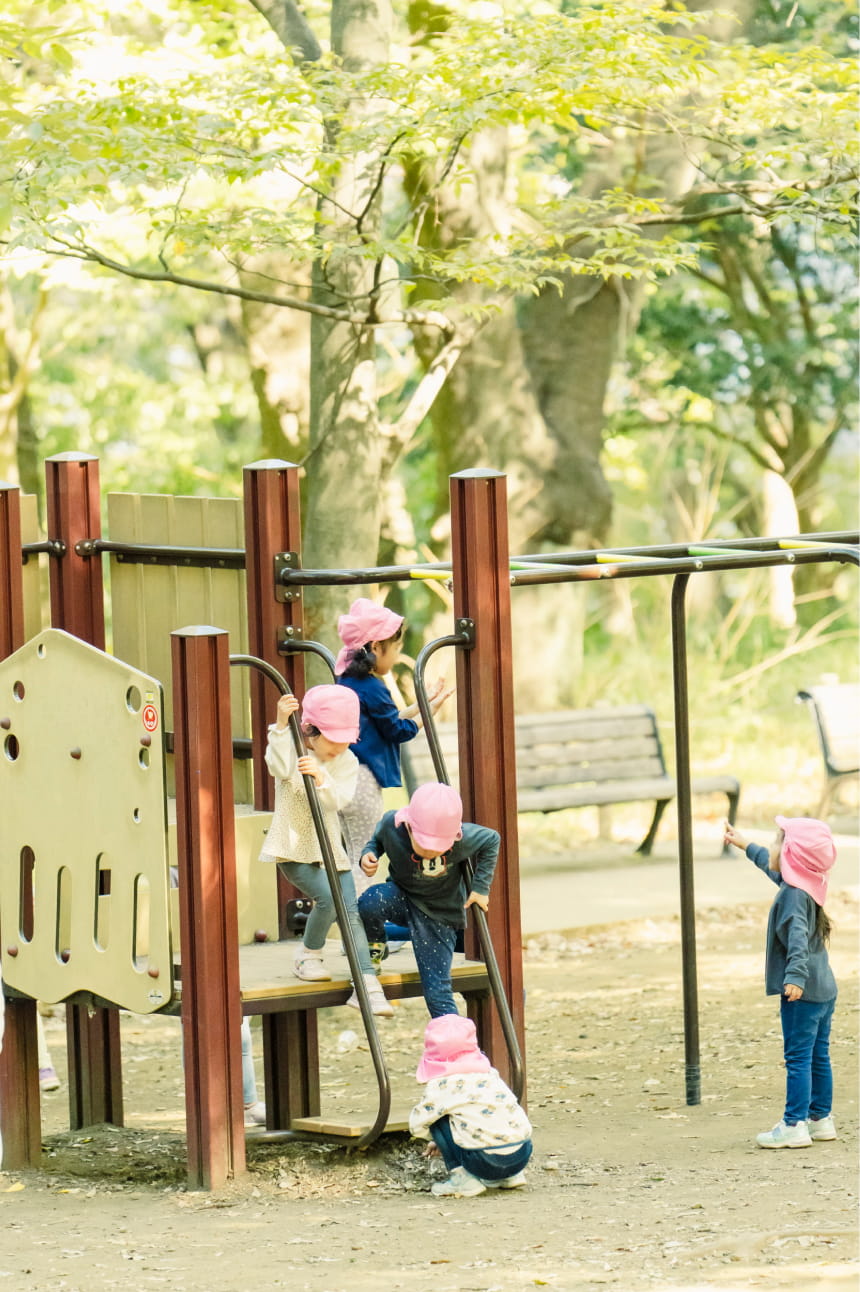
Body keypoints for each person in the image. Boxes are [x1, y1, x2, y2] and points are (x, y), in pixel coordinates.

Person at [260, 684, 393, 1017]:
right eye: (335, 737)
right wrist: (279, 724)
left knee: (350, 909)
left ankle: (365, 985)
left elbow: (338, 800)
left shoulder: (345, 760)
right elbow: (277, 766)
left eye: (347, 738)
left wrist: (321, 778)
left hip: (330, 845)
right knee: (330, 899)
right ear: (311, 732)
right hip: (293, 845)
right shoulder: (291, 746)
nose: (342, 745)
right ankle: (308, 954)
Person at [723, 815, 838, 1149]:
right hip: (824, 989)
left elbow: (798, 940)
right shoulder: (807, 885)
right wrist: (746, 844)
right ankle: (820, 1119)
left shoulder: (792, 896)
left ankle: (793, 1125)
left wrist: (794, 979)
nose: (773, 847)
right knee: (819, 1055)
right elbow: (773, 868)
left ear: (791, 855)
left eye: (777, 842)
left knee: (798, 1059)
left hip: (802, 992)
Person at [335, 598, 453, 914]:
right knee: (364, 856)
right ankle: (360, 932)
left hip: (343, 774)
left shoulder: (348, 678)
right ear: (375, 646)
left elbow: (387, 718)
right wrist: (428, 715)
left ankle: (354, 931)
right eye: (396, 647)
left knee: (349, 852)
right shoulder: (373, 686)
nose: (398, 655)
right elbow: (397, 730)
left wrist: (423, 705)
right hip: (362, 780)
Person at [358, 782, 499, 1017]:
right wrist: (369, 854)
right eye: (426, 845)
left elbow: (492, 839)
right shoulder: (391, 825)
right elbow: (376, 841)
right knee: (370, 901)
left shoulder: (466, 838)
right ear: (409, 827)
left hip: (439, 916)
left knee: (436, 990)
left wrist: (480, 888)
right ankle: (376, 945)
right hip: (402, 898)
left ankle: (453, 1046)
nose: (433, 852)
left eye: (440, 846)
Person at [409, 1013, 533, 1197]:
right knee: (493, 1111)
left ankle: (463, 1180)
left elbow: (417, 1125)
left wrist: (442, 1140)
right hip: (521, 1154)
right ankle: (509, 1176)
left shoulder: (441, 1085)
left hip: (483, 1161)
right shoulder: (490, 1074)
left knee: (436, 1118)